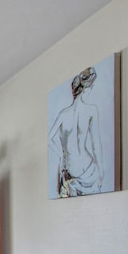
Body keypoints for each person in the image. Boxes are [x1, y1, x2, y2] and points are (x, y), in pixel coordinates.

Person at [48, 67, 104, 197]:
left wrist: (61, 155)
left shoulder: (63, 114)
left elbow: (48, 139)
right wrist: (101, 171)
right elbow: (96, 145)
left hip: (74, 171)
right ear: (85, 89)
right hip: (85, 169)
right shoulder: (91, 110)